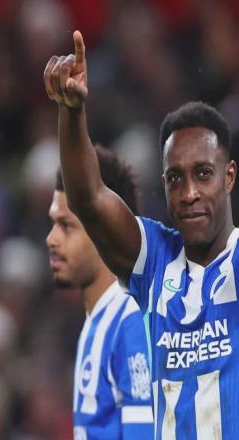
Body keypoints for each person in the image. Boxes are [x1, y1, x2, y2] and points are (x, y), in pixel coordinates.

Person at [44, 30, 239, 439]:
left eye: (203, 174)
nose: (189, 192)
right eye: (175, 178)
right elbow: (87, 199)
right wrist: (71, 111)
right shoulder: (154, 261)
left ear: (229, 176)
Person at [46, 147, 154, 439]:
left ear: (104, 228)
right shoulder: (100, 319)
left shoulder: (131, 322)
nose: (51, 239)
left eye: (66, 225)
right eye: (53, 223)